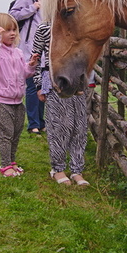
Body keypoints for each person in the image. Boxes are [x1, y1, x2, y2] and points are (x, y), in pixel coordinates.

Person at [32, 22, 90, 186]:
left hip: (77, 85)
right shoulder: (45, 29)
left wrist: (83, 83)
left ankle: (77, 170)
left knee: (79, 128)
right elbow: (37, 59)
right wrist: (40, 86)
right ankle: (57, 169)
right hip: (54, 83)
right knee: (59, 127)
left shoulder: (79, 26)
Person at [0, 13, 38, 177]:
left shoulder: (18, 53)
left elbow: (23, 73)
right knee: (5, 133)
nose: (12, 33)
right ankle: (5, 165)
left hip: (18, 100)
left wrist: (31, 65)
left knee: (16, 132)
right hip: (1, 101)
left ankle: (12, 161)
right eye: (7, 30)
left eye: (14, 30)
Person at [9, 0, 47, 135]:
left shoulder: (48, 0)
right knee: (32, 86)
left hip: (44, 49)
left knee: (43, 86)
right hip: (28, 49)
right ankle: (33, 124)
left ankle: (42, 121)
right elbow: (12, 15)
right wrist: (32, 8)